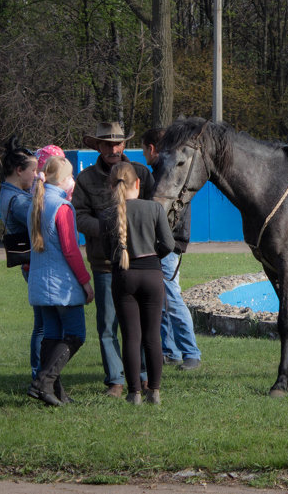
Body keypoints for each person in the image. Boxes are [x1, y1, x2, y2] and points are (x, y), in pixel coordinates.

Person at [72, 121, 155, 397]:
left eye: (118, 143)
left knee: (141, 324)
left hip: (140, 261)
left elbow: (157, 210)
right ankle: (115, 380)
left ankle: (142, 376)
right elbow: (80, 217)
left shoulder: (141, 173)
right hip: (105, 263)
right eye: (107, 143)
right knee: (108, 324)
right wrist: (109, 231)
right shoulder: (85, 180)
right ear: (97, 145)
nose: (114, 148)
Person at [100, 162, 174, 404]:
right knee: (153, 336)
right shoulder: (154, 209)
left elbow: (106, 251)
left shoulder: (108, 215)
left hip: (124, 276)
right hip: (152, 274)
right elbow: (169, 244)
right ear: (138, 184)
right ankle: (155, 392)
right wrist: (153, 256)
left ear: (112, 186)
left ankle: (134, 394)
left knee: (131, 336)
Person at [27, 155, 94, 406]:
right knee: (76, 334)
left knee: (52, 336)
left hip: (40, 284)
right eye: (71, 176)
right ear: (65, 180)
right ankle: (42, 382)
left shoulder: (37, 203)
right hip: (62, 285)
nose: (74, 180)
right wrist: (85, 282)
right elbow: (70, 249)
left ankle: (54, 392)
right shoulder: (62, 207)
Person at [142, 127, 203, 371]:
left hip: (168, 244)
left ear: (151, 149)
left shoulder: (164, 173)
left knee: (172, 298)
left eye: (144, 149)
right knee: (163, 299)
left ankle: (191, 352)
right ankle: (171, 351)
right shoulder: (166, 171)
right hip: (170, 242)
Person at [0, 136, 40, 384]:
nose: (36, 176)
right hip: (33, 263)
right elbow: (43, 218)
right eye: (33, 171)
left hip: (28, 264)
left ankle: (41, 374)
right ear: (19, 170)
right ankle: (40, 375)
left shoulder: (8, 192)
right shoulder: (20, 201)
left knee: (44, 323)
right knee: (45, 325)